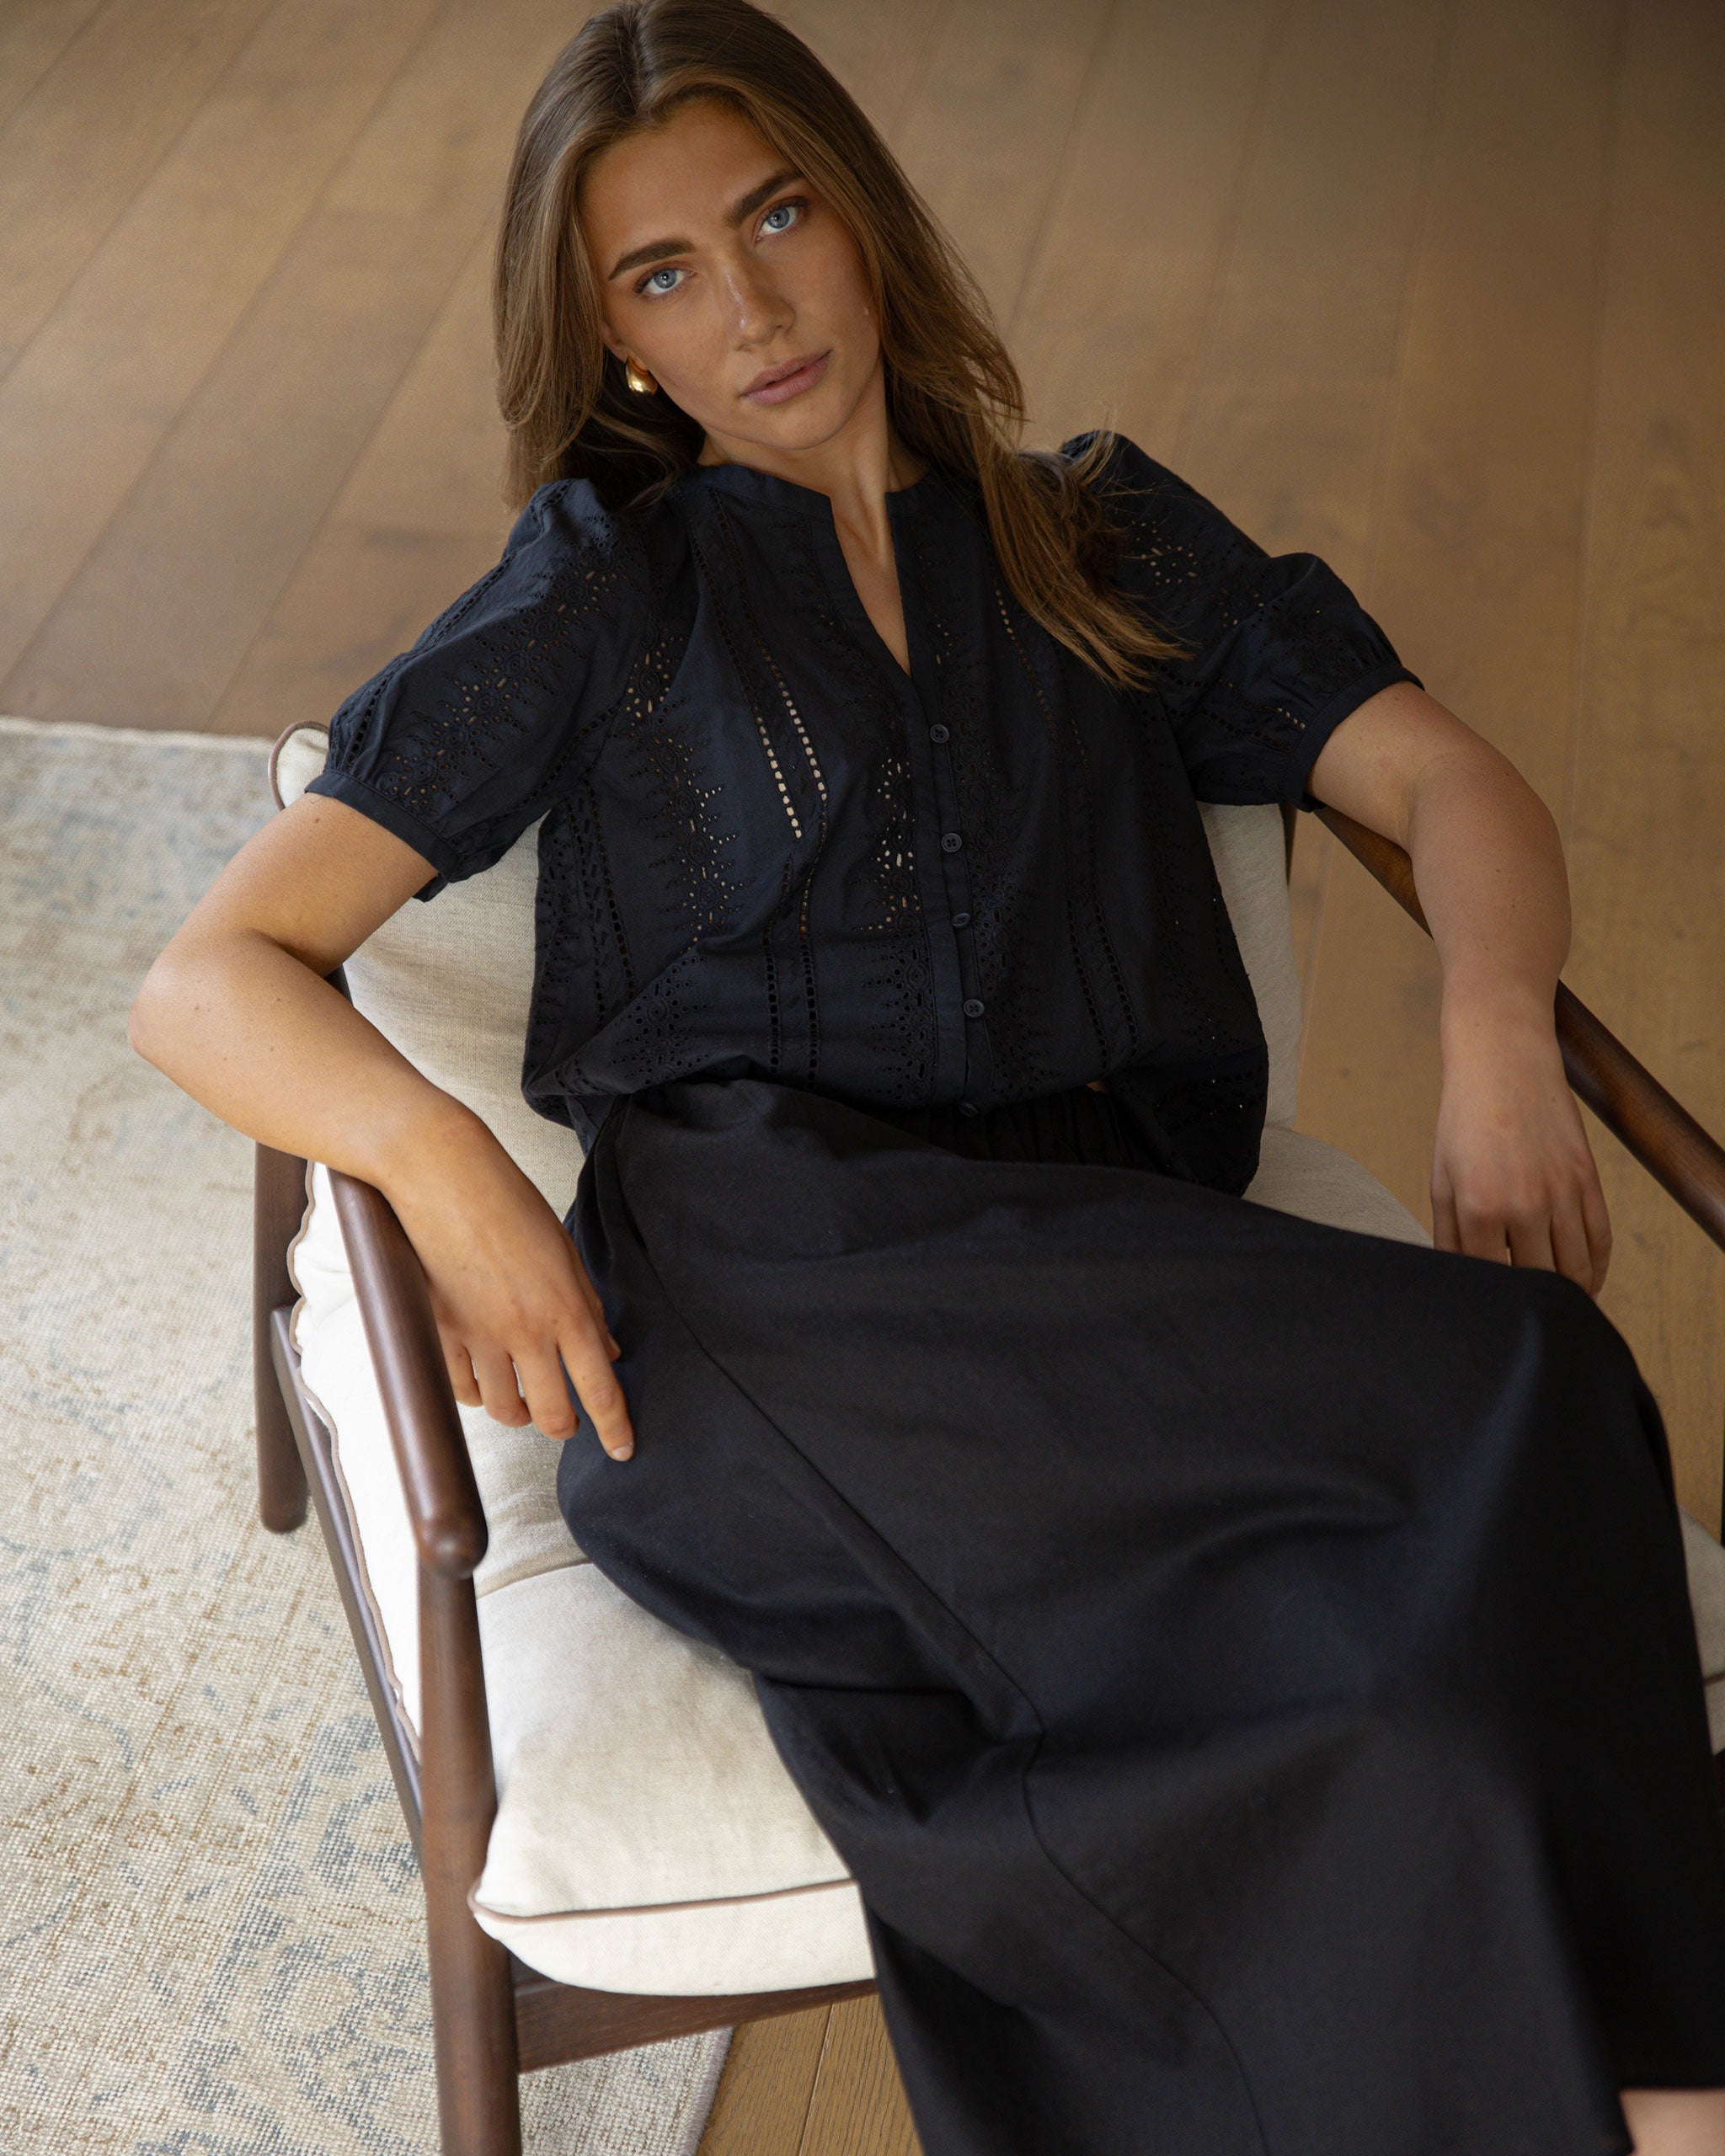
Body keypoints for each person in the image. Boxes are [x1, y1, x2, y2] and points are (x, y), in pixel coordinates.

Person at [131, 3, 1725, 2149]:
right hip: (773, 1283)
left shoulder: (1095, 534)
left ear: (863, 211)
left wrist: (1495, 1033)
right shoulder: (607, 585)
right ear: (609, 342)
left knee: (1534, 1379)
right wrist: (448, 1166)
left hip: (1105, 1261)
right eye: (662, 273)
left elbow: (1443, 777)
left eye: (778, 213)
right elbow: (209, 973)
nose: (755, 304)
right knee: (1417, 1567)